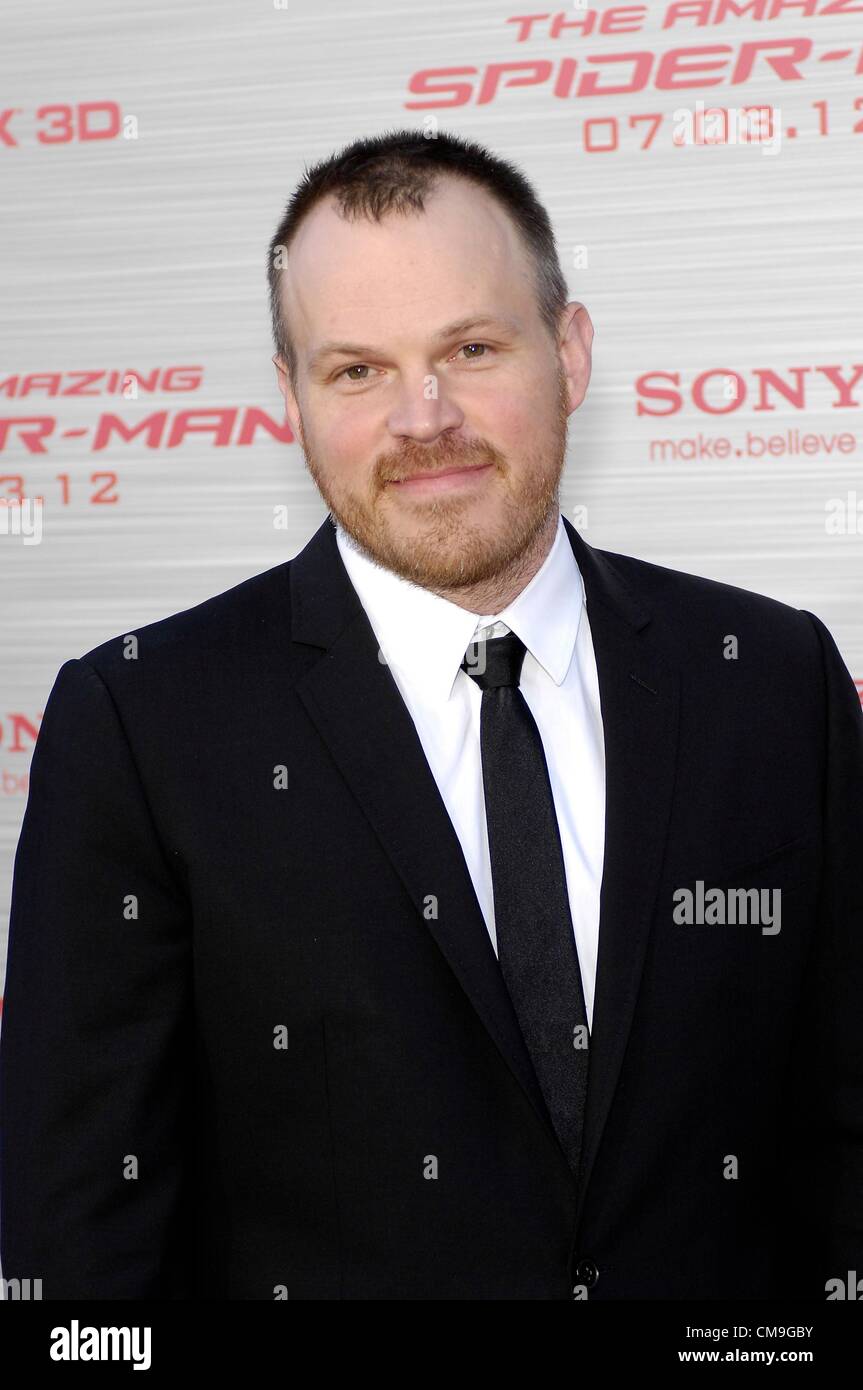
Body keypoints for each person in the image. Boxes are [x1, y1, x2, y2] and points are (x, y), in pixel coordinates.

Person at [1, 129, 861, 1301]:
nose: (422, 416)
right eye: (354, 369)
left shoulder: (770, 675)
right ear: (290, 398)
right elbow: (80, 1235)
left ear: (569, 350)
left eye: (469, 346)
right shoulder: (142, 721)